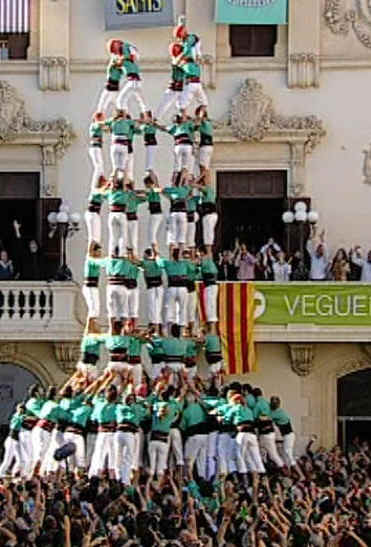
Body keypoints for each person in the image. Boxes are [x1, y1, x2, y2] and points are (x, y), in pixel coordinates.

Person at [115, 42, 148, 117]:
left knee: (121, 99)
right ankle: (147, 116)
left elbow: (129, 57)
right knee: (141, 100)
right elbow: (133, 55)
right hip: (137, 81)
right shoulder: (130, 61)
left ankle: (123, 115)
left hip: (132, 81)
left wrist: (121, 58)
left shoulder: (126, 58)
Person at [155, 42, 185, 121]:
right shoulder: (175, 60)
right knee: (166, 102)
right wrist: (186, 50)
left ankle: (182, 118)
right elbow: (178, 61)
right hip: (175, 85)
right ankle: (156, 118)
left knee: (181, 104)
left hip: (181, 85)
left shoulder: (182, 60)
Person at [96, 38, 126, 114]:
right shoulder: (115, 57)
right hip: (110, 86)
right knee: (101, 108)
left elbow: (121, 65)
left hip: (114, 87)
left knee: (119, 107)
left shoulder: (121, 58)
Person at [82, 241, 105, 334]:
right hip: (89, 287)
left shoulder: (96, 261)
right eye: (98, 251)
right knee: (93, 309)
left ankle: (93, 328)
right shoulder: (90, 260)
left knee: (96, 310)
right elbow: (90, 250)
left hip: (94, 287)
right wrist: (93, 241)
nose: (100, 253)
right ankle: (88, 330)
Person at [88, 111, 106, 190]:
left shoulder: (98, 125)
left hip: (97, 148)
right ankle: (94, 186)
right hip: (94, 148)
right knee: (98, 166)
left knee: (101, 166)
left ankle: (100, 182)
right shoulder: (94, 125)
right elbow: (101, 125)